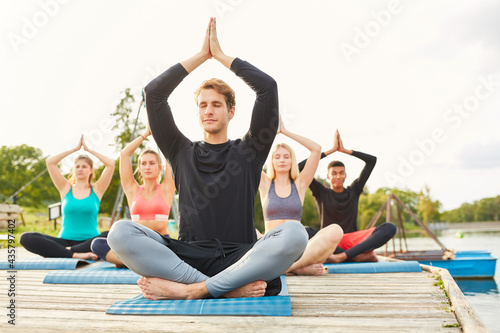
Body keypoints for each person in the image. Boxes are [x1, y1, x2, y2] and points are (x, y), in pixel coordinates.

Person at [107, 18, 308, 300]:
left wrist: (222, 57)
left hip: (240, 257)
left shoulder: (251, 150)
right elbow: (154, 94)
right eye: (203, 105)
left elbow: (267, 87)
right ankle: (224, 289)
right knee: (119, 232)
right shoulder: (179, 149)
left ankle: (193, 290)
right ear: (197, 111)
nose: (209, 110)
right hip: (187, 258)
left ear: (231, 112)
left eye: (216, 104)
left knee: (296, 234)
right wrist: (202, 56)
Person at [258, 115, 343, 275]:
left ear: (292, 161)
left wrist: (285, 132)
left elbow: (316, 149)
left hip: (297, 249)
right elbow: (248, 154)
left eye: (286, 156)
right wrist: (271, 135)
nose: (282, 160)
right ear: (272, 162)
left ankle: (285, 269)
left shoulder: (300, 183)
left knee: (335, 230)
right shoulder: (265, 183)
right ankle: (297, 269)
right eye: (277, 157)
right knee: (247, 230)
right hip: (270, 247)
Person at [299, 130, 396, 263]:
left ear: (345, 175)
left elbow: (372, 161)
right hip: (329, 239)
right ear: (328, 176)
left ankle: (342, 257)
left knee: (389, 228)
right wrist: (331, 151)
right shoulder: (321, 192)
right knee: (305, 231)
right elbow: (300, 167)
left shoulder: (354, 190)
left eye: (341, 173)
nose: (338, 176)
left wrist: (346, 151)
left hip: (354, 240)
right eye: (334, 173)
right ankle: (355, 256)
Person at [91, 123, 175, 266]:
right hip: (136, 242)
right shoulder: (133, 190)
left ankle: (131, 263)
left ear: (159, 167)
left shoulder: (167, 188)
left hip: (160, 242)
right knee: (97, 243)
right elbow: (124, 154)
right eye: (143, 163)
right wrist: (144, 135)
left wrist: (159, 134)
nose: (147, 167)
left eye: (152, 163)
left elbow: (171, 154)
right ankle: (141, 263)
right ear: (139, 168)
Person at [20, 135, 114, 259]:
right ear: (73, 169)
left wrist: (88, 150)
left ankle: (65, 252)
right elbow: (50, 162)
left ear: (91, 170)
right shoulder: (65, 188)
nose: (80, 169)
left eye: (84, 166)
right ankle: (75, 254)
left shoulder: (97, 189)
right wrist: (74, 149)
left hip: (90, 242)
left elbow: (111, 164)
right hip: (64, 241)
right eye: (77, 166)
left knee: (109, 235)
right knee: (26, 238)